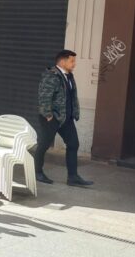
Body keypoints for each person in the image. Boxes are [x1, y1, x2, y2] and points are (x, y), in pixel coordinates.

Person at [36, 50, 93, 186]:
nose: (74, 64)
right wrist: (48, 115)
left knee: (73, 144)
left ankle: (73, 177)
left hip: (66, 118)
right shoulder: (51, 75)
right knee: (44, 145)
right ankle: (37, 172)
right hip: (52, 117)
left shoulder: (69, 76)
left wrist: (74, 113)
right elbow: (44, 97)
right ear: (62, 61)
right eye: (72, 61)